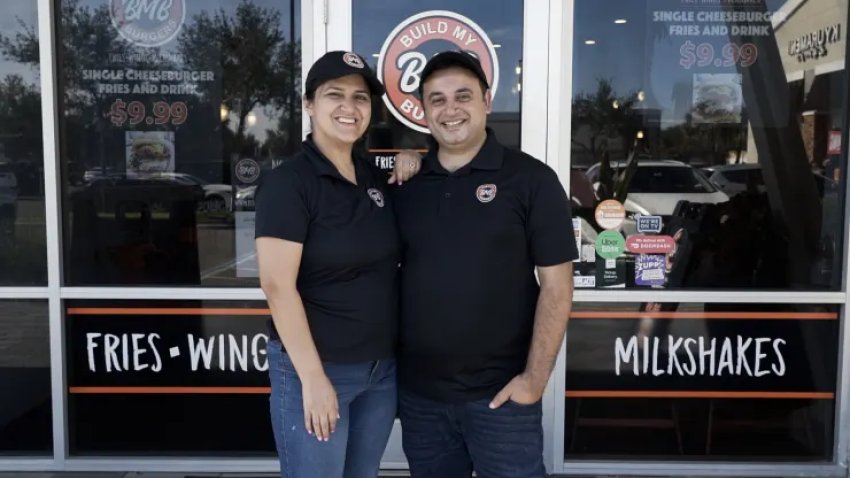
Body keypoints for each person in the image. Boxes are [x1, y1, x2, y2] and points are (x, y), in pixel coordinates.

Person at [392, 51, 578, 478]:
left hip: (502, 397)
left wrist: (534, 380)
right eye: (436, 99)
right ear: (423, 110)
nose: (450, 109)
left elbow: (557, 286)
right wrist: (407, 159)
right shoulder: (407, 186)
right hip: (422, 399)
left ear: (487, 101)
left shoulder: (531, 180)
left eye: (463, 96)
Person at [254, 50, 421, 478]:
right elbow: (277, 286)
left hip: (379, 373)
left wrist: (413, 162)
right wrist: (312, 379)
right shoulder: (290, 183)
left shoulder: (370, 175)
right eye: (335, 95)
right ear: (309, 104)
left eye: (361, 98)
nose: (350, 107)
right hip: (315, 369)